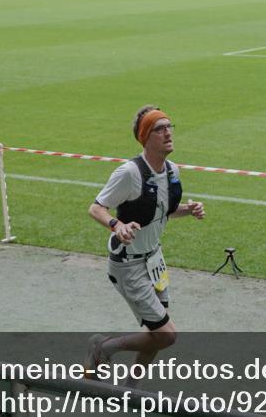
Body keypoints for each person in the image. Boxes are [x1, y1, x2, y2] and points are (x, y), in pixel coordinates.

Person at [86, 105, 204, 378]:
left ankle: (130, 390)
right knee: (167, 335)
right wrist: (117, 225)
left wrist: (188, 210)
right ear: (145, 137)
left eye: (169, 126)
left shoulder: (172, 171)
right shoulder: (129, 173)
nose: (168, 133)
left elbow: (162, 211)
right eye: (159, 129)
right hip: (128, 265)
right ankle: (103, 347)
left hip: (154, 260)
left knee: (156, 334)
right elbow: (96, 208)